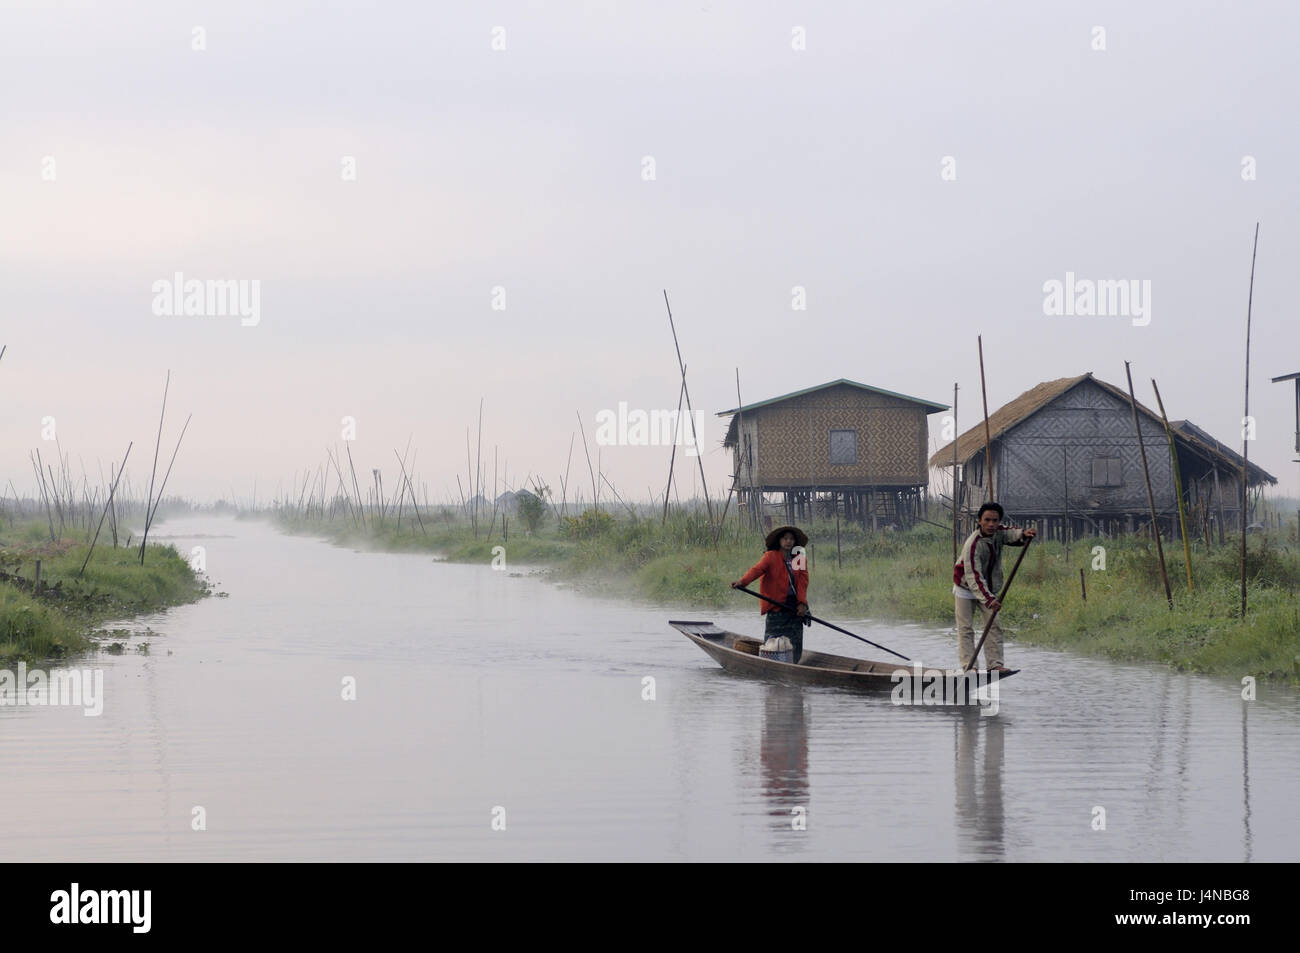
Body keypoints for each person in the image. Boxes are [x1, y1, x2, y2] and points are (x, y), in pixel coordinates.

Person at [953, 502, 1035, 673]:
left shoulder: (998, 532)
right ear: (979, 521)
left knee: (993, 625)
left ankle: (995, 664)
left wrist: (1023, 534)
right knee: (966, 629)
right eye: (987, 520)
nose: (991, 524)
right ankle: (970, 667)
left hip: (987, 589)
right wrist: (990, 600)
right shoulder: (972, 544)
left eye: (995, 520)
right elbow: (974, 577)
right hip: (966, 587)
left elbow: (1009, 534)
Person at [731, 525, 811, 662]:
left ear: (795, 542)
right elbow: (757, 570)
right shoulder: (770, 557)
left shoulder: (799, 559)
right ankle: (770, 664)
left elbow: (802, 583)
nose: (788, 541)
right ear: (779, 541)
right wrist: (742, 582)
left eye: (791, 539)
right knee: (772, 642)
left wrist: (802, 603)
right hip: (776, 606)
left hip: (794, 607)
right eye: (785, 538)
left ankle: (794, 665)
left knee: (795, 642)